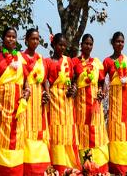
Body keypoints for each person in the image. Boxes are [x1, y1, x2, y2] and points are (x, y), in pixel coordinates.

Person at [0, 28, 31, 176]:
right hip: (2, 104)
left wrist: (27, 91)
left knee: (17, 137)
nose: (11, 39)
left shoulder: (20, 59)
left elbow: (26, 81)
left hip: (18, 106)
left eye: (14, 37)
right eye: (8, 36)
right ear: (3, 38)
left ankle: (15, 171)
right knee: (0, 137)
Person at [103, 31, 127, 175]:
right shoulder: (107, 61)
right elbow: (103, 80)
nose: (120, 44)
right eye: (117, 41)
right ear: (112, 43)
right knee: (116, 131)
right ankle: (116, 166)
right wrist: (103, 92)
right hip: (114, 101)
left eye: (122, 41)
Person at [73, 34, 109, 173]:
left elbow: (102, 82)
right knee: (83, 132)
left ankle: (99, 166)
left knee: (97, 131)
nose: (88, 46)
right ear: (81, 45)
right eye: (86, 43)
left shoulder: (97, 63)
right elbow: (72, 80)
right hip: (81, 103)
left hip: (95, 103)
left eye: (90, 44)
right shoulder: (75, 62)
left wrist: (102, 92)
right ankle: (85, 166)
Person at [46, 33, 80, 173]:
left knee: (68, 129)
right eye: (60, 45)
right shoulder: (47, 61)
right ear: (54, 45)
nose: (62, 47)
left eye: (65, 45)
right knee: (55, 129)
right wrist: (47, 93)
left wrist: (74, 88)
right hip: (54, 97)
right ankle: (57, 163)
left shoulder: (69, 61)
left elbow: (74, 78)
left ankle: (69, 162)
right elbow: (46, 80)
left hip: (67, 99)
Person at [21, 29, 51, 175]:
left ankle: (41, 166)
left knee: (40, 129)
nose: (35, 42)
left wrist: (46, 92)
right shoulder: (21, 57)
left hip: (39, 98)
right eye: (32, 39)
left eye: (37, 39)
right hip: (27, 97)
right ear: (26, 40)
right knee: (27, 128)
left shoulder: (41, 59)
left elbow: (45, 80)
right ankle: (27, 165)